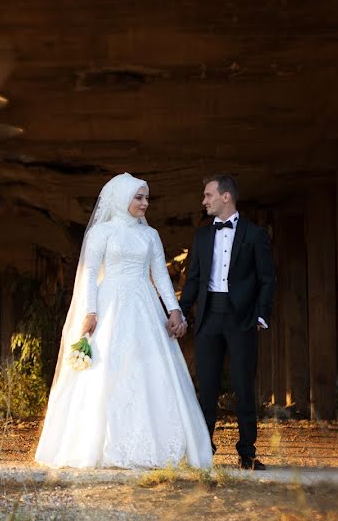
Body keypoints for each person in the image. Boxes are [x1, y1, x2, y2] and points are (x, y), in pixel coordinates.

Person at [35, 173, 212, 469]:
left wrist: (174, 310)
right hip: (110, 305)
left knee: (149, 370)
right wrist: (90, 311)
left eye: (146, 198)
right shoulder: (101, 233)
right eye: (138, 197)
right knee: (105, 371)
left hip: (144, 305)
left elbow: (160, 277)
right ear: (121, 199)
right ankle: (97, 445)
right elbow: (90, 273)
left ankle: (153, 447)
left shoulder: (150, 235)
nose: (144, 203)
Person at [178, 175, 274, 471]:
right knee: (206, 386)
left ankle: (247, 454)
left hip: (241, 319)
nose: (204, 200)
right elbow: (193, 279)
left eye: (208, 195)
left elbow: (267, 279)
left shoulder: (255, 235)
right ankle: (205, 451)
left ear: (226, 197)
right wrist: (180, 311)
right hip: (208, 319)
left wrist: (261, 314)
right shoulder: (202, 236)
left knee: (244, 386)